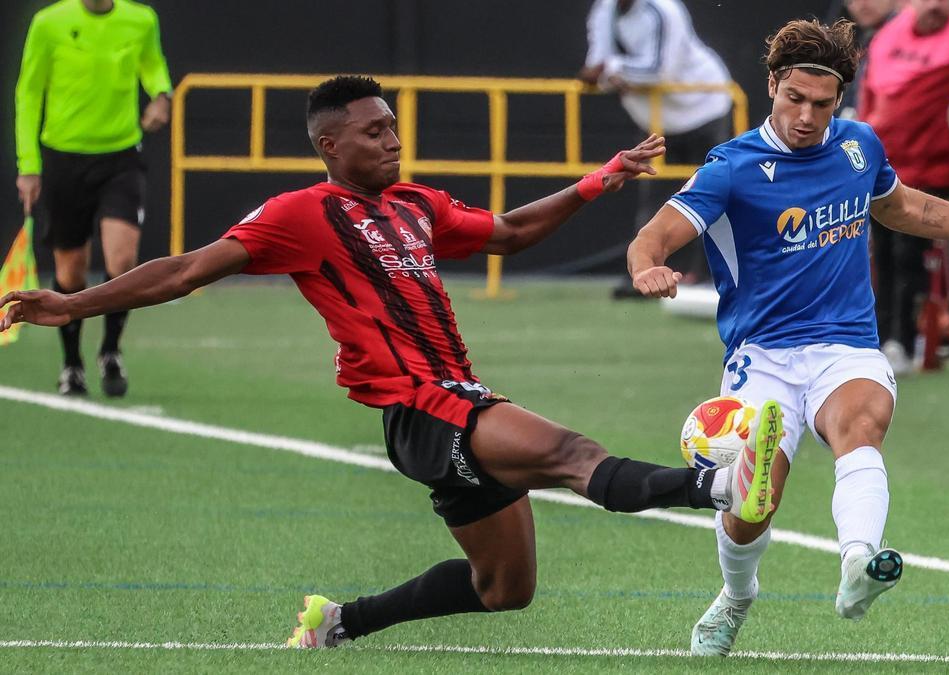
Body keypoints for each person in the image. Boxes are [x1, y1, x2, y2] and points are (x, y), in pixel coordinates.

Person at [0, 76, 780, 648]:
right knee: (571, 453)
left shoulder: (414, 205)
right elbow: (185, 269)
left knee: (504, 589)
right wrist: (73, 304)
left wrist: (598, 181)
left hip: (457, 399)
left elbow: (507, 231)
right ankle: (717, 483)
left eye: (393, 127)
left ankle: (338, 620)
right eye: (373, 132)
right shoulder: (298, 215)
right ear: (329, 145)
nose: (392, 140)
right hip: (420, 410)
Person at [627, 19, 949, 656]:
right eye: (794, 99)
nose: (807, 116)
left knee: (862, 424)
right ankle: (736, 596)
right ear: (774, 85)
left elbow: (907, 209)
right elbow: (652, 238)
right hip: (764, 356)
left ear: (840, 101)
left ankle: (858, 564)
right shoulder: (732, 167)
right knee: (754, 500)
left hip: (845, 344)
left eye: (822, 104)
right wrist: (649, 269)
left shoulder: (859, 147)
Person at [14, 0, 173, 397]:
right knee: (70, 273)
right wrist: (29, 165)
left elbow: (152, 65)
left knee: (122, 261)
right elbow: (29, 93)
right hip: (64, 158)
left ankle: (111, 350)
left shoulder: (140, 19)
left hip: (121, 156)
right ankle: (71, 363)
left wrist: (160, 94)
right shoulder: (49, 23)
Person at [859, 0, 949, 373]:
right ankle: (878, 341)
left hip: (934, 169)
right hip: (885, 165)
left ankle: (904, 343)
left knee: (909, 256)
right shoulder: (889, 37)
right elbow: (870, 96)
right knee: (884, 256)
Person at [578, 0, 732, 298]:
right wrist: (610, 74)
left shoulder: (663, 10)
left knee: (713, 195)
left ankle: (710, 275)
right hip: (658, 119)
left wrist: (611, 70)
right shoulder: (604, 10)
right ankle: (645, 276)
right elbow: (592, 68)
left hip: (703, 107)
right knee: (655, 199)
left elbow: (660, 71)